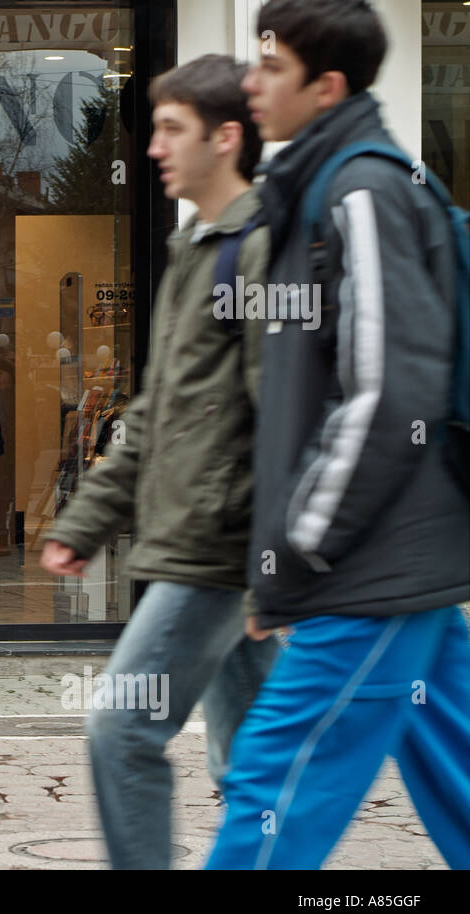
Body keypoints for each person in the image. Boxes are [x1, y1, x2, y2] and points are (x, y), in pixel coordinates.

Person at [207, 0, 470, 869]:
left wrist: (305, 538)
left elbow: (389, 389)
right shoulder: (320, 187)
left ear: (326, 87)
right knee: (457, 775)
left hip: (368, 568)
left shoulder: (360, 191)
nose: (251, 83)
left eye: (270, 68)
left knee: (272, 789)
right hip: (404, 563)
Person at [40, 55, 277, 869]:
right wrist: (89, 517)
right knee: (252, 763)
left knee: (121, 727)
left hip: (216, 551)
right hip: (201, 541)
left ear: (228, 137)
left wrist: (273, 567)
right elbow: (154, 411)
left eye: (172, 128)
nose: (153, 147)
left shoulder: (261, 251)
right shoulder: (192, 251)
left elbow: (284, 418)